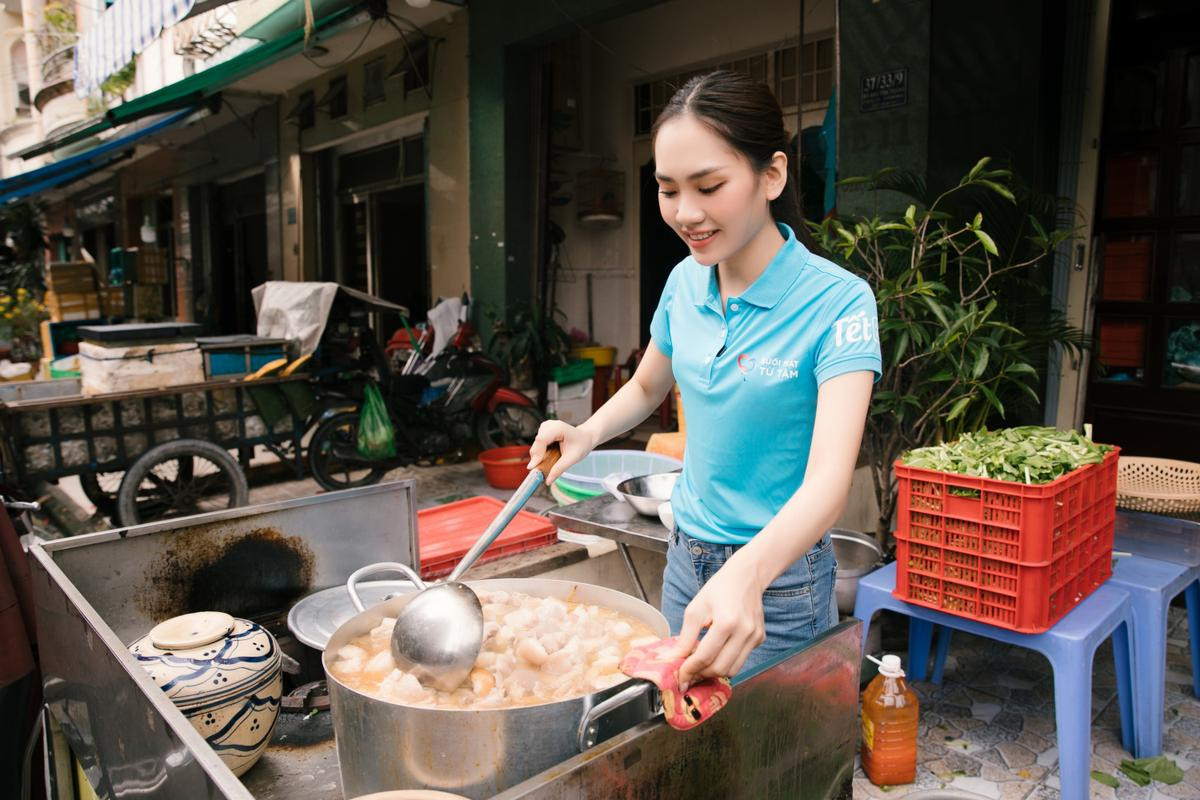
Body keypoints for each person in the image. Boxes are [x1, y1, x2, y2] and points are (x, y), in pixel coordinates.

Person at [526, 70, 880, 688]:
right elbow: (645, 387)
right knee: (687, 741)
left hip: (781, 581)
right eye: (667, 189)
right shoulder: (685, 281)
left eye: (709, 186)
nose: (686, 213)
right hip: (685, 560)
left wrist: (748, 575)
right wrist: (585, 433)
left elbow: (828, 484)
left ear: (772, 174)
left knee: (772, 765)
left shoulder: (838, 303)